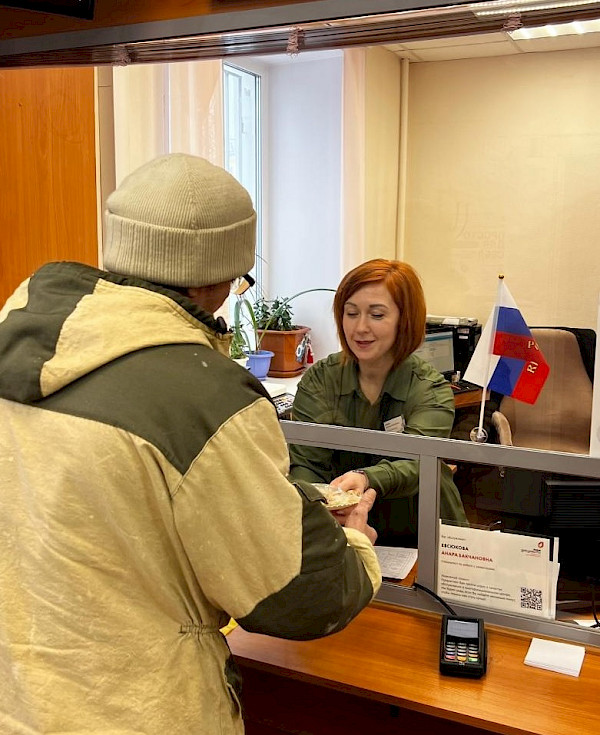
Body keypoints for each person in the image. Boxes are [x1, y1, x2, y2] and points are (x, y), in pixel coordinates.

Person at [0, 153, 381, 735]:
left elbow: (118, 506)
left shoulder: (16, 344)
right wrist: (354, 544)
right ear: (216, 279)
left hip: (21, 696)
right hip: (136, 710)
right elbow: (300, 597)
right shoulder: (205, 395)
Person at [289, 258, 468, 546]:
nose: (360, 327)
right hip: (339, 530)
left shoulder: (430, 388)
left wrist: (366, 478)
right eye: (351, 313)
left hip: (421, 532)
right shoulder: (320, 379)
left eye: (376, 315)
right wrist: (317, 502)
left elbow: (417, 463)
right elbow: (305, 463)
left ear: (404, 320)